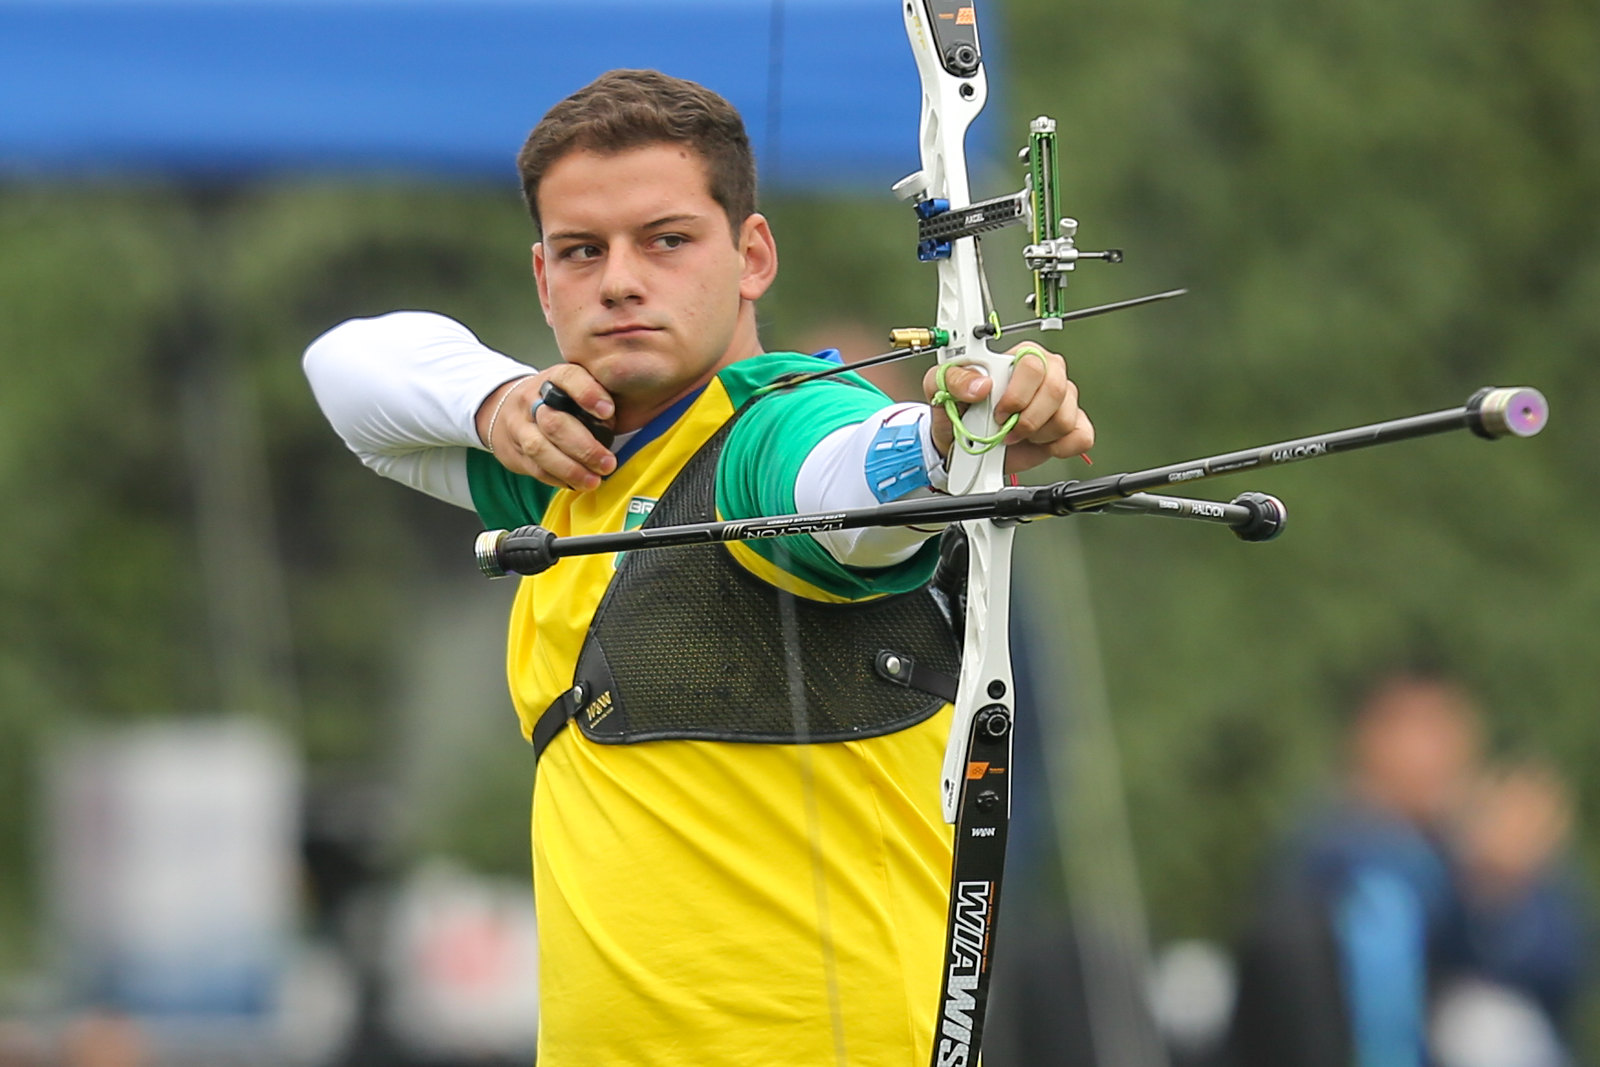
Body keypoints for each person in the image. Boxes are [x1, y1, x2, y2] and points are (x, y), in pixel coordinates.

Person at [304, 69, 1093, 1066]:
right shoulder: (564, 466)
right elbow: (344, 366)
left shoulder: (778, 425)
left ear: (751, 254)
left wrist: (943, 446)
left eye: (666, 240)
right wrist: (496, 401)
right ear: (542, 278)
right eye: (582, 251)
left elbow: (838, 484)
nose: (620, 280)